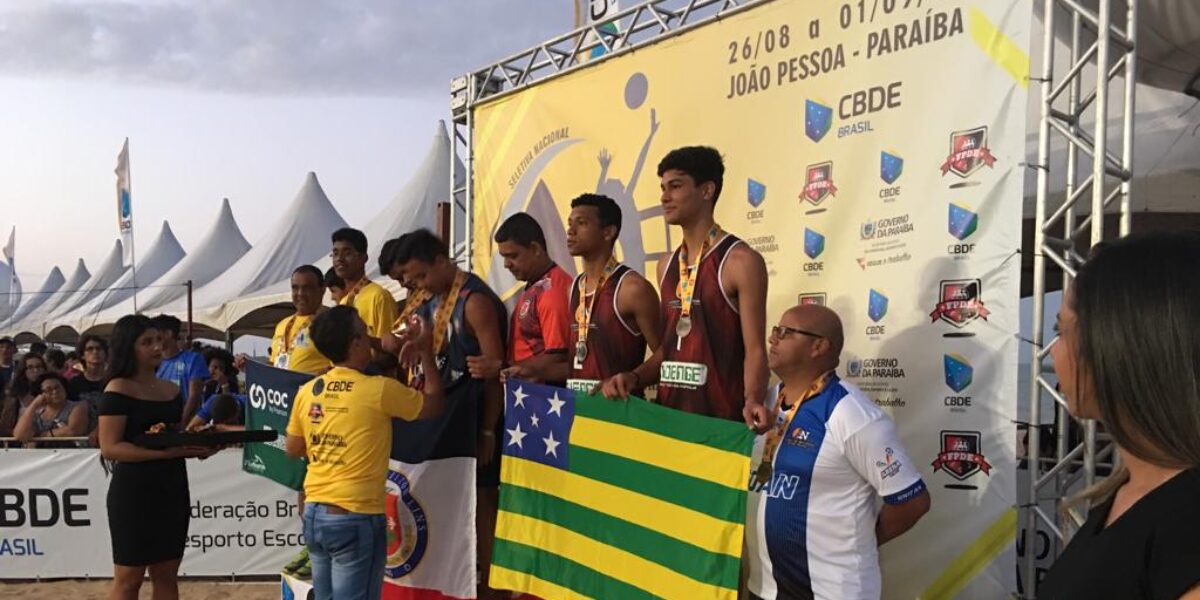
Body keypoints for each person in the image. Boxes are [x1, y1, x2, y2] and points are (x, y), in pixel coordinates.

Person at [1038, 232, 1200, 600]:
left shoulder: (1187, 523)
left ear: (1118, 346)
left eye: (1061, 331)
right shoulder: (1130, 489)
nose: (1053, 354)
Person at [745, 304, 929, 599]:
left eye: (785, 332)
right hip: (765, 589)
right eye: (774, 331)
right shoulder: (763, 403)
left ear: (818, 346)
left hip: (829, 592)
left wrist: (862, 542)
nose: (773, 339)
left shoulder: (853, 415)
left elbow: (912, 502)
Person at [601, 146, 771, 432]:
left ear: (706, 190)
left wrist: (753, 398)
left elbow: (755, 349)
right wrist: (634, 376)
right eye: (663, 188)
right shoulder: (666, 265)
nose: (664, 197)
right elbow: (670, 349)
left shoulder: (740, 261)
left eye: (675, 186)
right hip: (670, 421)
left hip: (719, 423)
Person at [284, 305, 446, 600]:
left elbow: (293, 449)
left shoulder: (308, 390)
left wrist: (329, 436)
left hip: (315, 511)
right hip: (354, 515)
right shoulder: (379, 389)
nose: (369, 338)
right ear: (356, 343)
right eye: (365, 333)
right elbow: (434, 405)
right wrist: (425, 352)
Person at [388, 229, 508, 598]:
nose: (416, 285)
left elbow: (495, 371)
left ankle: (491, 587)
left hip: (472, 415)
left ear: (442, 261)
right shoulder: (428, 299)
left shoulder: (474, 301)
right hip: (439, 415)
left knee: (482, 502)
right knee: (442, 501)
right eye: (410, 280)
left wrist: (488, 429)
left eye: (421, 276)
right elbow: (395, 340)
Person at [98, 314, 216, 600]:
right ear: (129, 347)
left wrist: (198, 447)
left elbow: (170, 439)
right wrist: (169, 452)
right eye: (146, 342)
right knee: (129, 578)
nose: (156, 347)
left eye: (158, 340)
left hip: (171, 487)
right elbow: (110, 447)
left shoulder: (172, 391)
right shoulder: (117, 388)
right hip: (134, 491)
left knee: (166, 574)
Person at [560, 193, 662, 393]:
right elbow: (580, 362)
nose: (570, 231)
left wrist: (633, 378)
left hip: (619, 413)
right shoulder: (573, 288)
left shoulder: (632, 289)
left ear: (608, 232)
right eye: (569, 223)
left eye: (581, 223)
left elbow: (667, 355)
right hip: (581, 412)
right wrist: (531, 371)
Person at [474, 212, 571, 386]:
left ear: (535, 249)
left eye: (513, 256)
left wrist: (502, 367)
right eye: (504, 257)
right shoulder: (537, 283)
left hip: (546, 399)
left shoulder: (553, 292)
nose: (506, 264)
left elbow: (558, 357)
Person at [330, 227, 396, 349]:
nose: (339, 259)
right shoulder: (344, 303)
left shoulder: (379, 296)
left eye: (347, 253)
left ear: (364, 258)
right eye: (335, 253)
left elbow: (391, 351)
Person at [150, 314, 208, 425]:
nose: (154, 340)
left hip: (188, 426)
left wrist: (182, 422)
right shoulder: (153, 363)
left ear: (168, 334)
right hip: (158, 425)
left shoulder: (193, 359)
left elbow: (194, 396)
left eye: (157, 335)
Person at [12, 372, 87, 447]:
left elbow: (73, 431)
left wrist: (43, 436)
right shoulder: (37, 413)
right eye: (49, 390)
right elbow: (19, 435)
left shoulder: (78, 406)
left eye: (57, 387)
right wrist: (33, 406)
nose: (55, 392)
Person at [69, 334, 109, 446]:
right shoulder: (74, 384)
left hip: (109, 437)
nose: (95, 352)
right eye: (90, 349)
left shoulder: (114, 381)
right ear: (82, 355)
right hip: (81, 441)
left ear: (105, 354)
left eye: (99, 348)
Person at [0, 354, 49, 438]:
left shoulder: (53, 391)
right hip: (20, 442)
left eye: (39, 366)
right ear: (23, 371)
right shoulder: (14, 395)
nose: (36, 370)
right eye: (30, 367)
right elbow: (4, 427)